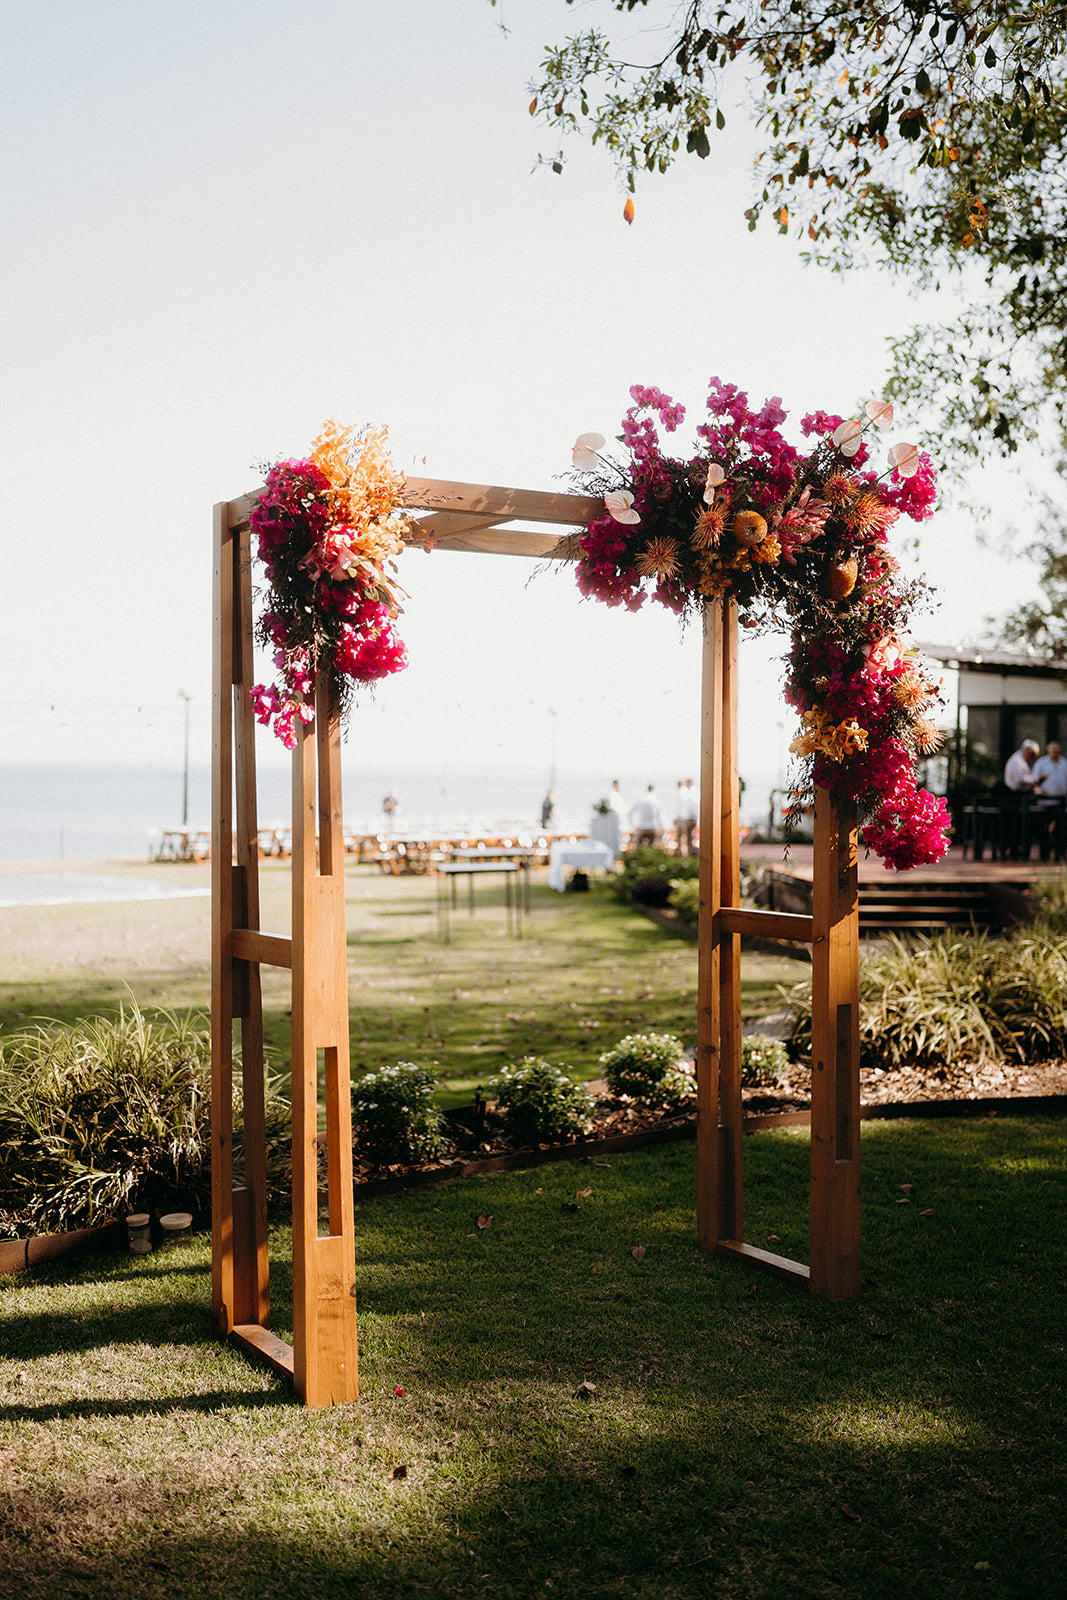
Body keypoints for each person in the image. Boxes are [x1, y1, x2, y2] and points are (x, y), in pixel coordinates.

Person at [1031, 740, 1067, 859]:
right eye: (1054, 752)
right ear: (1049, 752)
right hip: (1045, 802)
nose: (1056, 754)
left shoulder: (1064, 763)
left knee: (1061, 828)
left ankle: (1059, 854)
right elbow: (1034, 781)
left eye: (1058, 752)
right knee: (1044, 828)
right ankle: (1044, 854)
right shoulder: (1041, 764)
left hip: (1061, 801)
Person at [629, 784, 662, 848]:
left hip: (641, 827)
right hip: (652, 827)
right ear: (653, 789)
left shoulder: (641, 799)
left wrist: (633, 825)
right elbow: (659, 815)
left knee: (638, 848)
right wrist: (659, 826)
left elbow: (630, 812)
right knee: (652, 848)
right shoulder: (655, 800)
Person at [674, 777, 698, 856]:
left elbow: (681, 808)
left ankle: (686, 854)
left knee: (685, 837)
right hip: (688, 818)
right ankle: (687, 853)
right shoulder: (691, 792)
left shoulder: (686, 793)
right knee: (687, 837)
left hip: (686, 819)